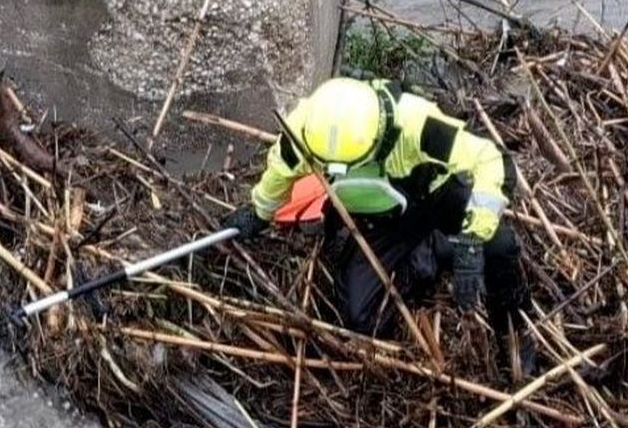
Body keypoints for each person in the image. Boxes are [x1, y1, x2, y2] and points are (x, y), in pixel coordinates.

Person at [223, 76, 530, 338]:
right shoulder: (303, 132)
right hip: (379, 220)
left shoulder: (413, 122)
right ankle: (431, 252)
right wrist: (259, 213)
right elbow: (280, 172)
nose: (337, 170)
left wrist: (473, 240)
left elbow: (490, 158)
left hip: (432, 195)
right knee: (361, 319)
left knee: (500, 247)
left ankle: (516, 334)